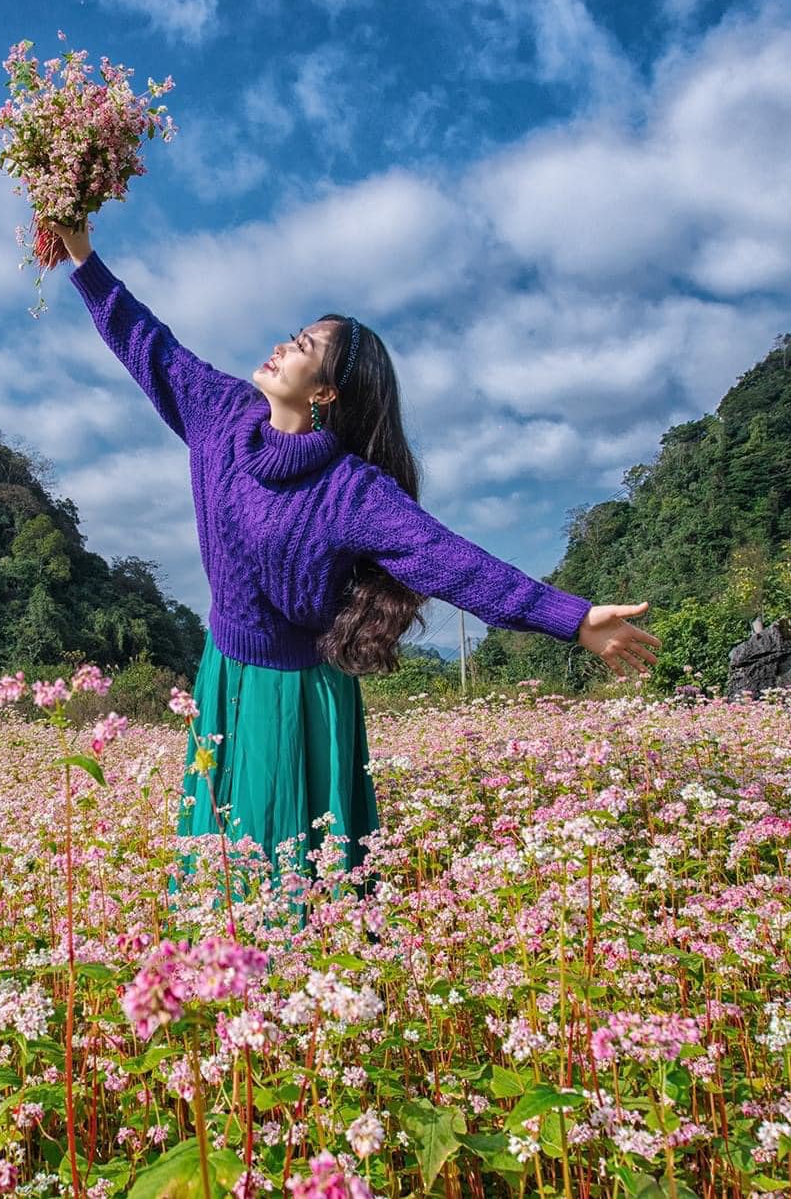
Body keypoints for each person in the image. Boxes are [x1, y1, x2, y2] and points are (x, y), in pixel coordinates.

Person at [45, 218, 660, 924]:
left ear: (327, 393)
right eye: (293, 335)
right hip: (223, 671)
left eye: (304, 348)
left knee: (290, 875)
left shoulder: (354, 493)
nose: (282, 346)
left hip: (300, 695)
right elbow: (147, 344)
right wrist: (82, 256)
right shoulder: (220, 414)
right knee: (219, 864)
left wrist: (573, 618)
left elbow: (456, 562)